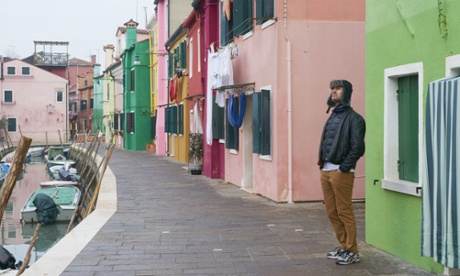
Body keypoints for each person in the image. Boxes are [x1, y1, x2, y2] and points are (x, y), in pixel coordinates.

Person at [318, 79, 366, 265]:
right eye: (332, 89)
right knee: (332, 211)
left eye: (338, 88)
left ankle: (353, 250)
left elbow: (357, 148)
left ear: (347, 92)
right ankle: (343, 246)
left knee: (344, 211)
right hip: (326, 170)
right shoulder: (332, 115)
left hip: (341, 172)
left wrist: (343, 168)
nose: (334, 91)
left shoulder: (355, 119)